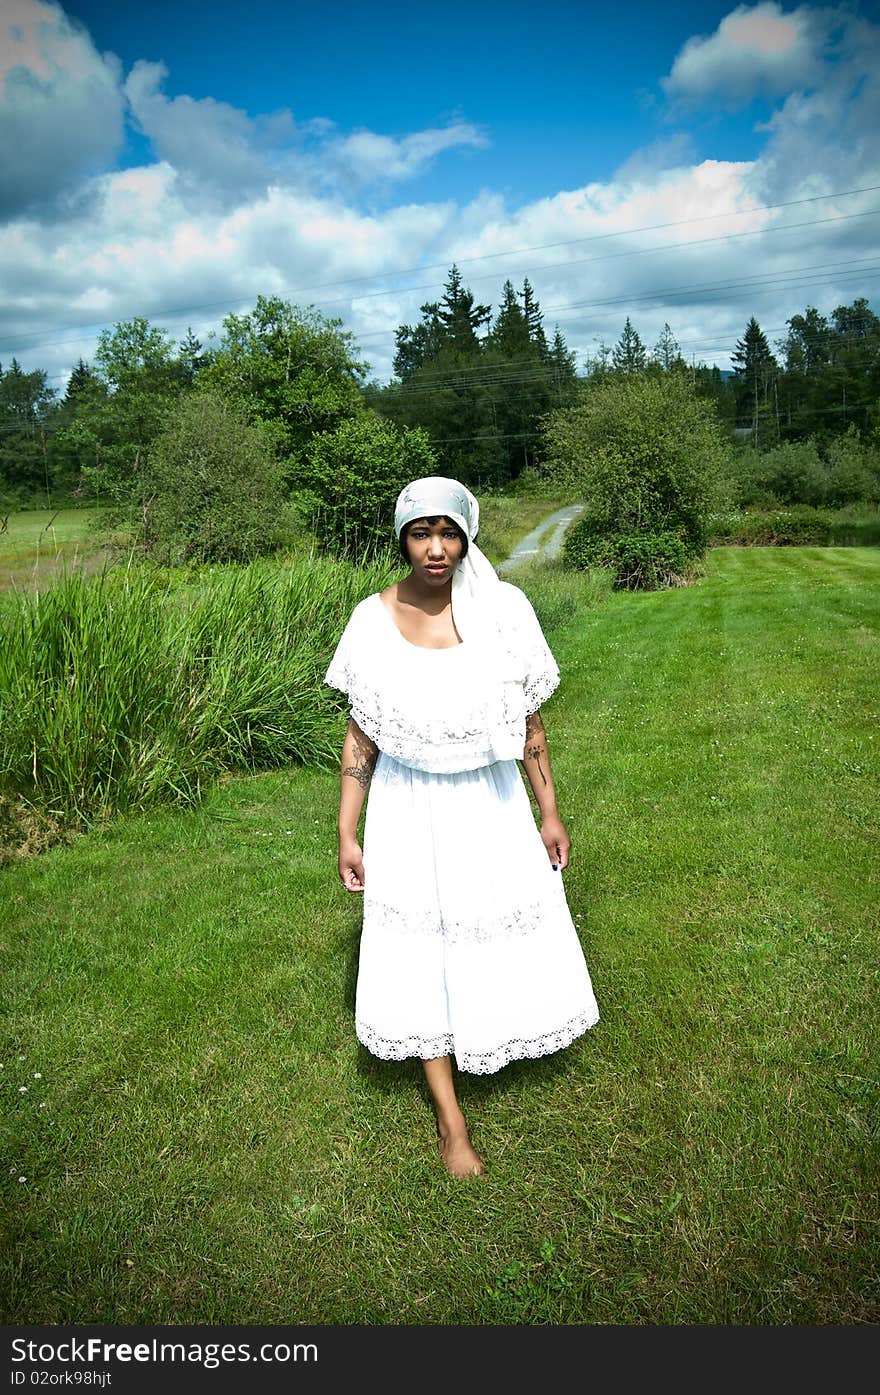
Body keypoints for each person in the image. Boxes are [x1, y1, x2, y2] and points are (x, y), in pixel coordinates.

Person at [325, 477, 599, 1177]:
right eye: (421, 533)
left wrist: (550, 810)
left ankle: (491, 1027)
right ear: (402, 538)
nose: (436, 548)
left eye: (449, 532)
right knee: (421, 949)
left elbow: (531, 723)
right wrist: (348, 831)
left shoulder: (504, 611)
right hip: (409, 804)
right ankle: (452, 1122)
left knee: (486, 928)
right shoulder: (371, 619)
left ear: (468, 535)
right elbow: (362, 736)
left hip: (491, 798)